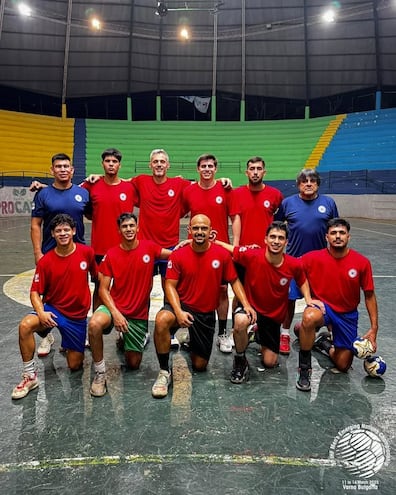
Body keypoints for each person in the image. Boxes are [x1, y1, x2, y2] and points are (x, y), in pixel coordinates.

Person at [151, 214, 256, 399]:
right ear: (189, 231)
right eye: (196, 228)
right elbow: (169, 285)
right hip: (182, 306)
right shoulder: (178, 254)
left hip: (205, 313)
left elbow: (234, 280)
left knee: (200, 366)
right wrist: (178, 311)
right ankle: (164, 372)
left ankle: (190, 338)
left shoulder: (222, 255)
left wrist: (246, 304)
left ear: (210, 231)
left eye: (204, 228)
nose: (200, 232)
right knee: (161, 320)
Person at [215, 221, 314, 384]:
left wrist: (308, 299)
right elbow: (231, 248)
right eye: (272, 237)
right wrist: (209, 241)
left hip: (273, 317)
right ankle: (240, 360)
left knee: (270, 363)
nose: (276, 241)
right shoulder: (252, 256)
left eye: (280, 238)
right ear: (265, 239)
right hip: (251, 308)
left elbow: (302, 280)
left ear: (286, 242)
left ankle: (256, 334)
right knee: (240, 322)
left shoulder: (293, 264)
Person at [11, 214, 97, 399]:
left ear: (74, 231)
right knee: (25, 325)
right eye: (58, 230)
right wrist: (41, 312)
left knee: (74, 365)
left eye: (66, 229)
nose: (63, 233)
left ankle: (68, 340)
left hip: (76, 317)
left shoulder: (86, 253)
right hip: (53, 311)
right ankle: (29, 375)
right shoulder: (46, 261)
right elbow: (35, 292)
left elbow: (98, 278)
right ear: (52, 234)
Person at [88, 213, 173, 397]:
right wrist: (116, 313)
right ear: (119, 230)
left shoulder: (149, 248)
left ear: (137, 228)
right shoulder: (111, 254)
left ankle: (127, 338)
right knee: (94, 323)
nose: (128, 229)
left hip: (137, 314)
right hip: (114, 308)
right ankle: (100, 373)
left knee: (133, 364)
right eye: (124, 226)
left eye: (131, 226)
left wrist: (189, 245)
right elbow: (103, 289)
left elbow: (174, 254)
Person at [296, 218, 378, 392]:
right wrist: (308, 297)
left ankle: (323, 343)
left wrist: (374, 328)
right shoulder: (312, 258)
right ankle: (304, 368)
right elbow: (293, 268)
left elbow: (369, 295)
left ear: (349, 237)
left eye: (342, 233)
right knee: (309, 317)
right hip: (322, 309)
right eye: (333, 233)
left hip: (347, 315)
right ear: (327, 237)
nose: (338, 236)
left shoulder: (362, 262)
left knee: (343, 365)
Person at [30, 153, 90, 357]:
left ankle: (73, 330)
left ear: (72, 170)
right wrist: (38, 252)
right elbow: (36, 224)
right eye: (58, 166)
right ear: (52, 170)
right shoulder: (43, 194)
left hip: (77, 252)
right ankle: (46, 334)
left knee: (76, 292)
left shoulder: (83, 193)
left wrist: (95, 179)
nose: (63, 169)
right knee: (48, 295)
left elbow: (91, 212)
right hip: (50, 252)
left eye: (66, 166)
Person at [275, 168, 339, 354]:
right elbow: (277, 226)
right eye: (304, 181)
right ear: (298, 185)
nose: (308, 183)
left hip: (321, 265)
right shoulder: (288, 203)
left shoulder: (328, 203)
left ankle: (333, 336)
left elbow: (335, 229)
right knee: (289, 300)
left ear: (318, 184)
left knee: (325, 301)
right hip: (294, 262)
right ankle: (285, 334)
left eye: (312, 180)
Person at [182, 153, 239, 353]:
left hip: (220, 250)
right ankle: (192, 331)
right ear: (198, 169)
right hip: (195, 250)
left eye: (210, 166)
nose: (207, 169)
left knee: (222, 291)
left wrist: (236, 245)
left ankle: (222, 333)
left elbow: (234, 217)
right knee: (194, 290)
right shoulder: (188, 191)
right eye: (203, 166)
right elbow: (178, 212)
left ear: (216, 169)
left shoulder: (225, 189)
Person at [80, 148, 136, 309]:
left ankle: (124, 328)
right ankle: (98, 327)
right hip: (100, 249)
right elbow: (68, 190)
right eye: (108, 161)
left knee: (125, 288)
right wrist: (43, 187)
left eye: (114, 161)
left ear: (119, 165)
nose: (111, 164)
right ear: (102, 164)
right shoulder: (91, 185)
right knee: (99, 287)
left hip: (125, 248)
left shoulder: (130, 187)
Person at [232, 156, 284, 248]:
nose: (255, 172)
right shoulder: (236, 194)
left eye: (259, 169)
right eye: (252, 169)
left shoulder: (275, 194)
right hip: (244, 250)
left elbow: (279, 222)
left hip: (267, 250)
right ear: (246, 173)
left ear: (264, 173)